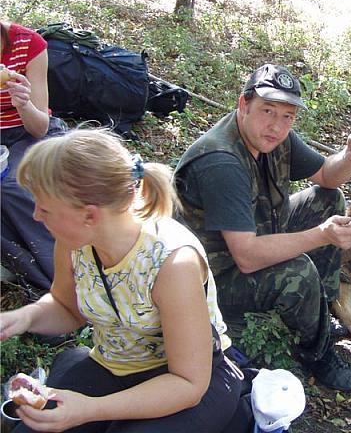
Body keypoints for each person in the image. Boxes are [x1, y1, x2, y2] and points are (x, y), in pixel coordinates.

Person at [0, 129, 243, 433]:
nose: (36, 215)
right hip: (116, 366)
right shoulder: (75, 241)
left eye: (45, 208)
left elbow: (188, 383)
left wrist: (90, 410)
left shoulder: (172, 262)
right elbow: (66, 308)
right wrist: (25, 317)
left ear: (90, 215)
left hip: (190, 382)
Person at [174, 63, 351, 392]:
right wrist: (321, 235)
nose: (276, 124)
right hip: (213, 277)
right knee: (298, 271)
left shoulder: (273, 138)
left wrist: (349, 157)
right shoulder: (221, 161)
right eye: (267, 110)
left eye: (288, 116)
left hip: (255, 235)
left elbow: (327, 177)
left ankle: (321, 309)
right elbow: (246, 256)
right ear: (244, 105)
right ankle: (317, 353)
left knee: (327, 199)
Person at [1, 20, 67, 293]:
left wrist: (23, 103)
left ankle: (60, 280)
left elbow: (39, 127)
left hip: (27, 134)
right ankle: (20, 265)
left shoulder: (29, 44)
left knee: (10, 185)